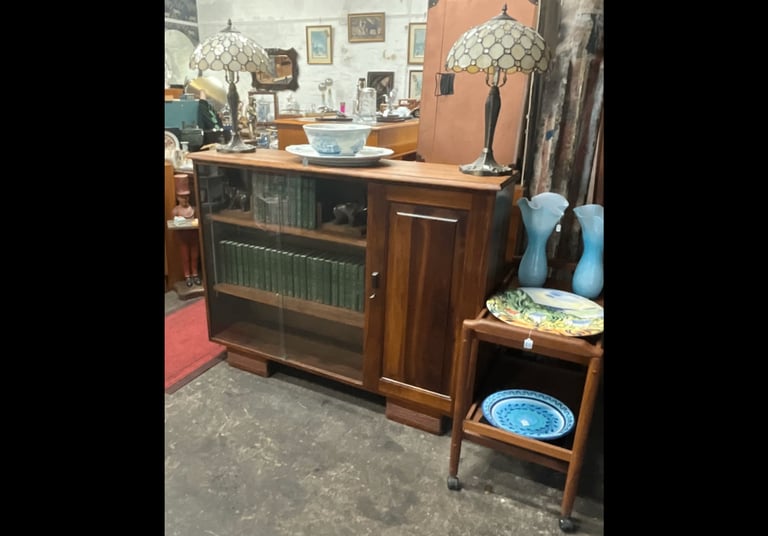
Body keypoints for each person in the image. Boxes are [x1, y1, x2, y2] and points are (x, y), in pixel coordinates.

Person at [172, 174, 201, 287]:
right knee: (185, 257)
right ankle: (187, 275)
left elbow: (198, 221)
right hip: (182, 238)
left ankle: (195, 274)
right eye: (182, 197)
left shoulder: (193, 209)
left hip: (193, 236)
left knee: (195, 256)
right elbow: (173, 224)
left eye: (187, 197)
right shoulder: (176, 211)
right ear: (178, 198)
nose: (185, 199)